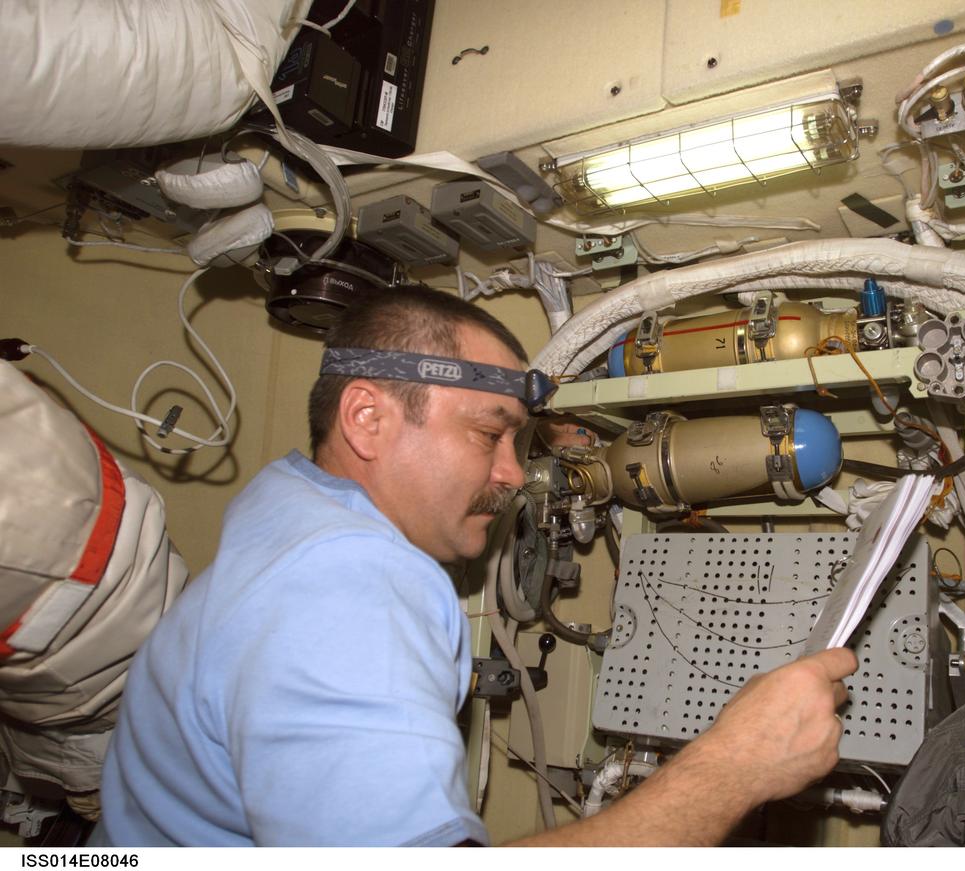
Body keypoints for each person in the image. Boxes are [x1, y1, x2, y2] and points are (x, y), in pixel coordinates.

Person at [93, 285, 858, 846]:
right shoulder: (344, 582)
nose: (512, 473)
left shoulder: (286, 522)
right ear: (367, 418)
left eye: (518, 443)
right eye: (489, 434)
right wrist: (736, 765)